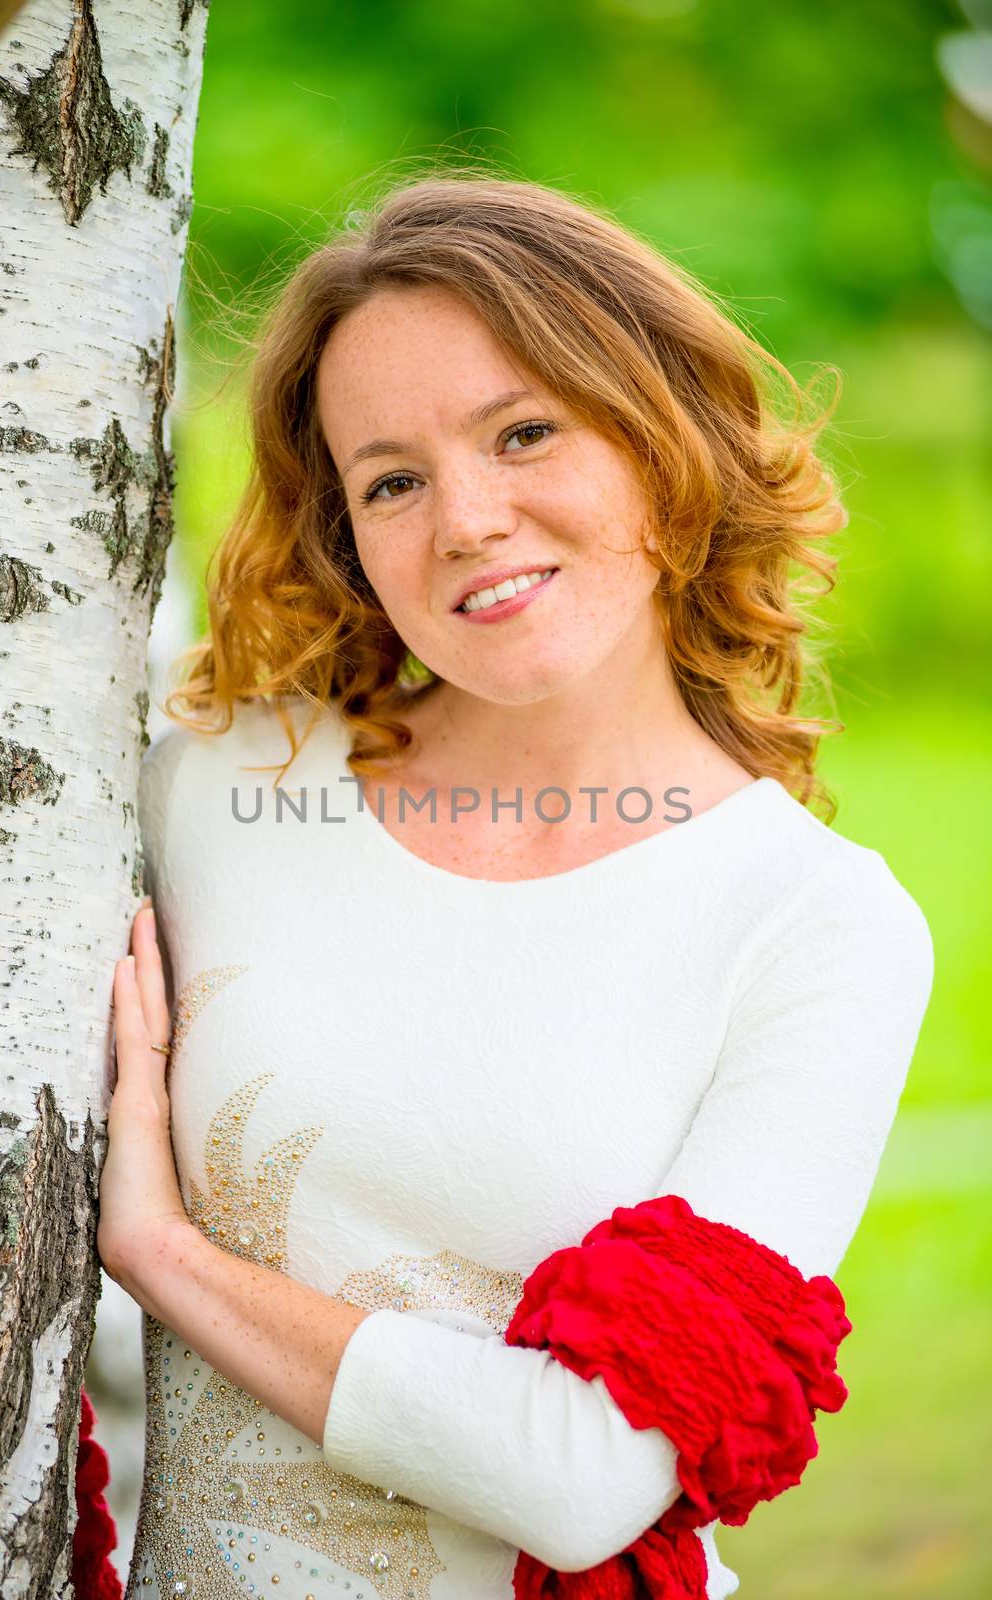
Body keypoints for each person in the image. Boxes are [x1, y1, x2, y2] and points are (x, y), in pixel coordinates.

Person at [100, 170, 934, 1600]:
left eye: (526, 432)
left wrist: (162, 1257)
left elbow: (589, 1476)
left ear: (663, 442)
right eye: (393, 481)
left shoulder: (819, 927)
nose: (469, 520)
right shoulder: (221, 784)